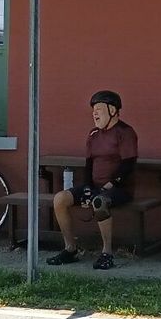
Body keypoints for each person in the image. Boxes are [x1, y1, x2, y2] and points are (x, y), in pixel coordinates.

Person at [47, 89, 137, 270]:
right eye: (93, 110)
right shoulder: (93, 134)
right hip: (95, 186)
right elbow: (89, 164)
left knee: (99, 202)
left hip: (119, 189)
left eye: (99, 109)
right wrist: (88, 187)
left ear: (112, 110)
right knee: (60, 199)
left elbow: (128, 164)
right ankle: (70, 249)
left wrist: (110, 185)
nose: (94, 113)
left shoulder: (125, 132)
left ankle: (107, 253)